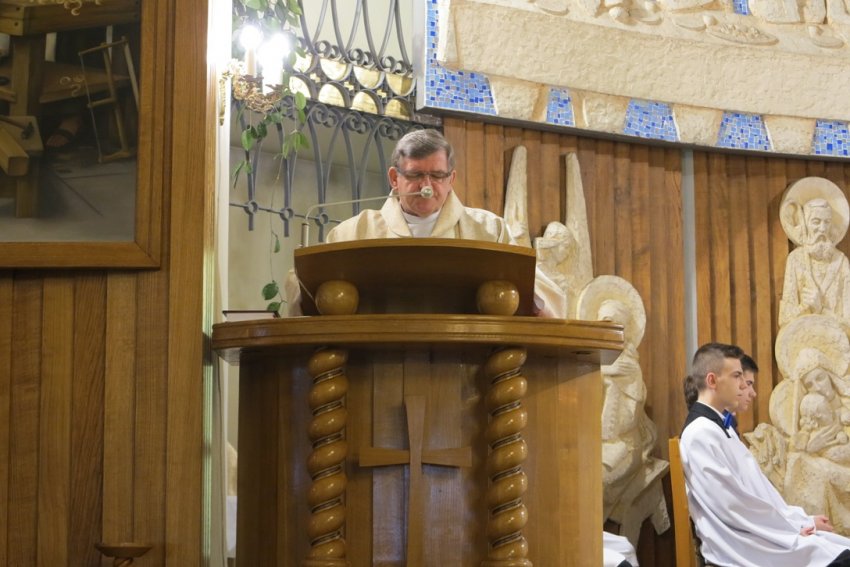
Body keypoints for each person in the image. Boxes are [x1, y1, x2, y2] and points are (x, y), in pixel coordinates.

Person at [302, 128, 567, 317]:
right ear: (394, 178)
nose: (426, 186)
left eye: (437, 176)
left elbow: (541, 292)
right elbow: (306, 289)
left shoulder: (489, 230)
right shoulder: (354, 232)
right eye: (416, 175)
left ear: (451, 179)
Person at [680, 342, 850, 567]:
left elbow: (756, 493)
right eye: (736, 376)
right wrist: (795, 527)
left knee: (838, 548)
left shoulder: (720, 428)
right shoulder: (701, 434)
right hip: (746, 547)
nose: (743, 385)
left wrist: (799, 520)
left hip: (759, 537)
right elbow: (734, 506)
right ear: (712, 381)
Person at [779, 197, 850, 326]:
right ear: (805, 224)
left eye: (827, 222)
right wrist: (804, 307)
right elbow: (784, 320)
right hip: (803, 335)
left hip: (835, 337)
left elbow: (848, 324)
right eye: (816, 222)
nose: (822, 229)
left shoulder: (841, 262)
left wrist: (821, 310)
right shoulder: (795, 260)